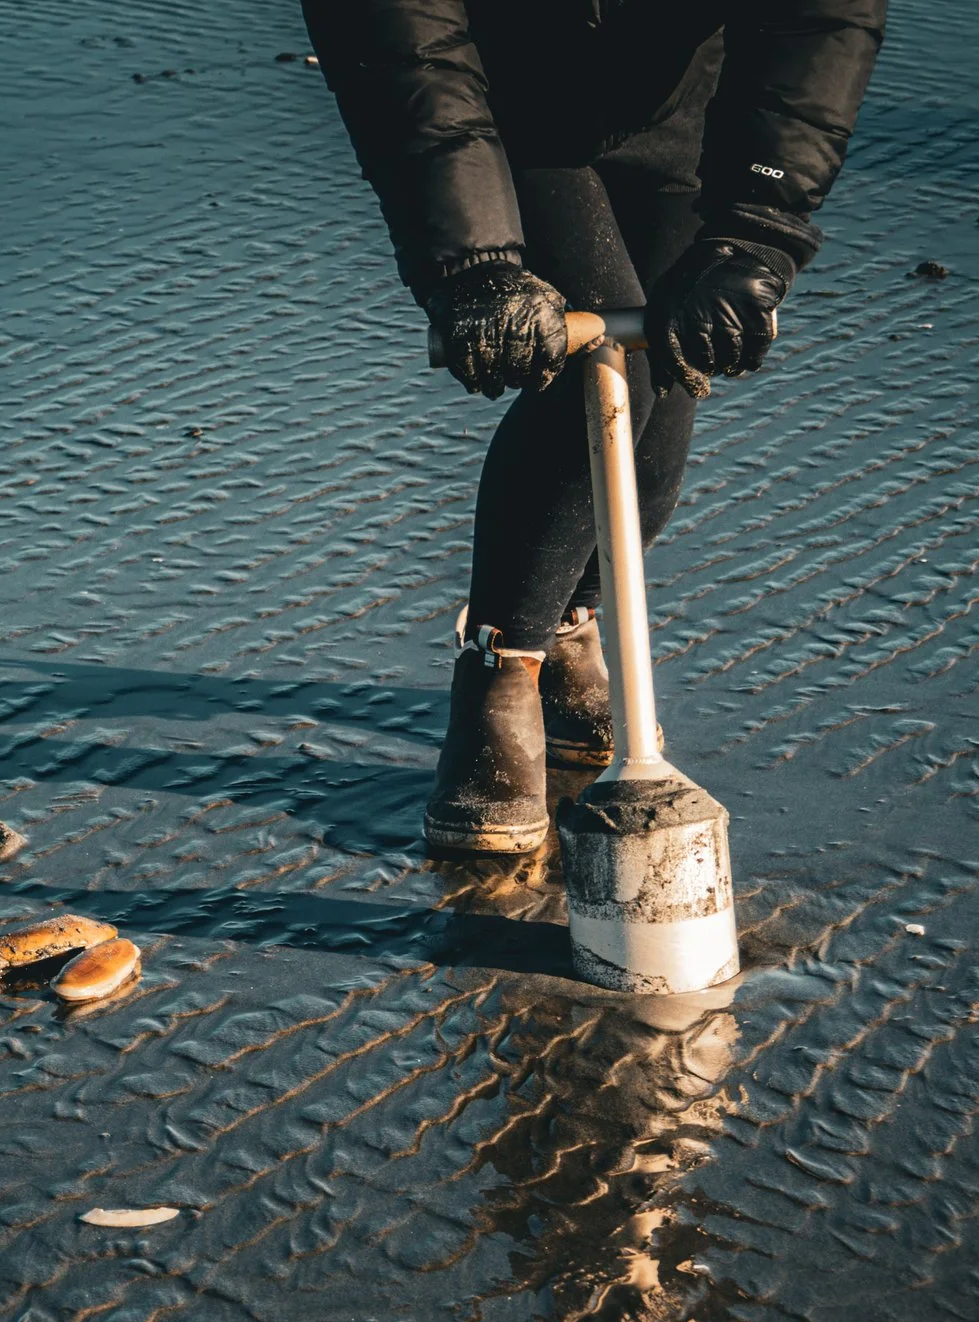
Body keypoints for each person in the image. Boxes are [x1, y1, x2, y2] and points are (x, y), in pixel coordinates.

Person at [301, 0, 886, 854]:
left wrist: (757, 227)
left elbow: (822, 20)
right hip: (497, 108)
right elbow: (404, 42)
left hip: (683, 99)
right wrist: (476, 261)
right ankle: (502, 671)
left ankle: (567, 622)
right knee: (604, 369)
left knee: (668, 395)